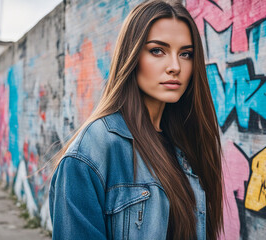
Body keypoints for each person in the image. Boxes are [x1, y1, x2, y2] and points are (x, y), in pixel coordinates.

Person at [49, 0, 223, 239]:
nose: (175, 67)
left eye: (186, 54)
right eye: (157, 50)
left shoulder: (187, 141)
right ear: (131, 56)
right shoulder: (92, 151)